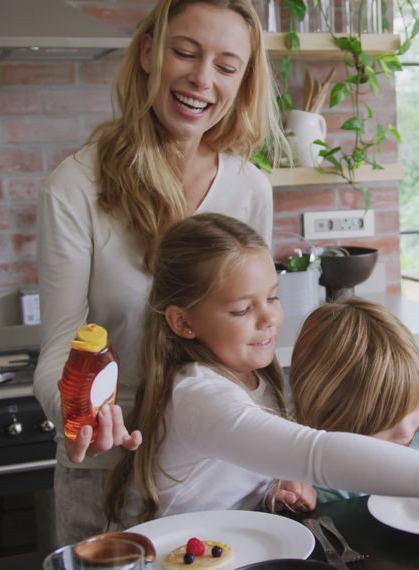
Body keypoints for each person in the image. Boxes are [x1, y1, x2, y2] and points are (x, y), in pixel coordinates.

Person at [102, 213, 419, 547]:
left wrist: (277, 486)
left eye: (273, 297)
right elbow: (317, 452)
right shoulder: (199, 395)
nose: (268, 319)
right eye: (242, 309)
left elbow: (251, 464)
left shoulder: (248, 380)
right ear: (183, 323)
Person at [34, 0, 284, 544]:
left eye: (226, 65)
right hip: (108, 476)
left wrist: (286, 443)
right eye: (185, 52)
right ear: (149, 52)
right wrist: (81, 419)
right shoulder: (76, 187)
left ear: (243, 81)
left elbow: (258, 340)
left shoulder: (249, 188)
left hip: (222, 472)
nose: (201, 79)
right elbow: (57, 350)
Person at [287, 297, 419, 502]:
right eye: (382, 421)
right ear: (331, 419)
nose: (406, 430)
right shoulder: (323, 482)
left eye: (413, 404)